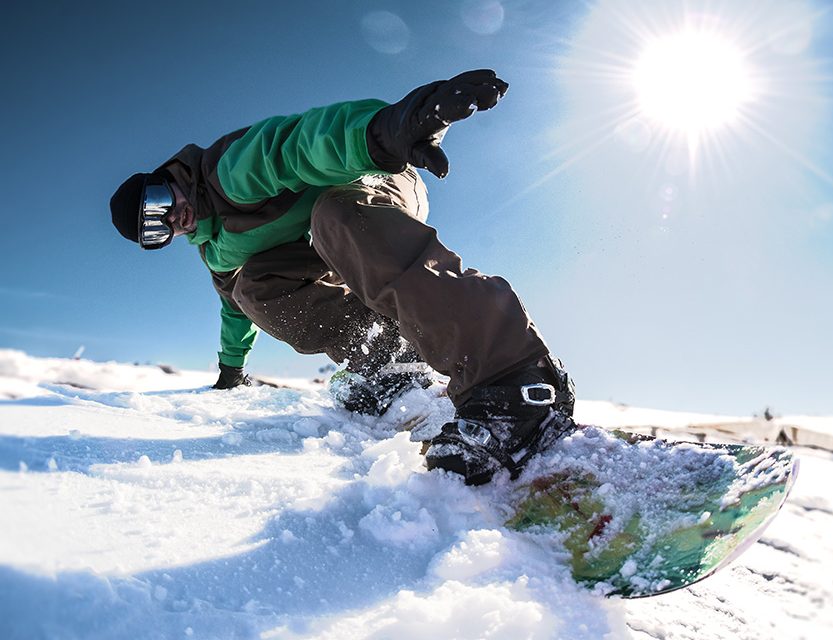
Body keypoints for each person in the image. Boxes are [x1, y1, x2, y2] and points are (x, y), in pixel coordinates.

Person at [109, 70, 575, 485]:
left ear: (164, 177)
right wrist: (231, 371)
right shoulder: (216, 250)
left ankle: (515, 380)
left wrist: (388, 130)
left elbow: (296, 146)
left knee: (333, 213)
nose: (170, 218)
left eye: (157, 203)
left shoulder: (223, 173)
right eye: (156, 230)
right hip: (324, 239)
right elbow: (235, 312)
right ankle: (387, 358)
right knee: (254, 288)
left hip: (370, 169)